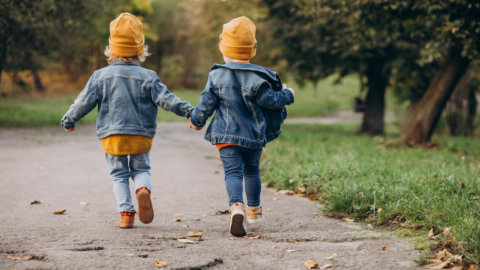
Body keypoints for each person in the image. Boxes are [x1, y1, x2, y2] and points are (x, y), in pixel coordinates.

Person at [61, 13, 193, 228]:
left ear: (111, 49)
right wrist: (189, 111)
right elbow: (167, 100)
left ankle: (126, 215)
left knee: (119, 175)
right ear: (141, 49)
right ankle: (142, 189)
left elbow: (83, 102)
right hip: (141, 135)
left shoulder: (100, 76)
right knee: (141, 169)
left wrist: (69, 120)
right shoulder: (149, 77)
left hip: (113, 136)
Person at [189, 16, 295, 236]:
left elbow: (206, 103)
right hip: (254, 136)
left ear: (224, 49)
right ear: (252, 49)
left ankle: (237, 207)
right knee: (252, 171)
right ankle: (255, 210)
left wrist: (196, 121)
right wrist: (288, 94)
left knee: (233, 173)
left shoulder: (216, 75)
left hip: (226, 137)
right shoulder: (260, 77)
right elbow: (271, 101)